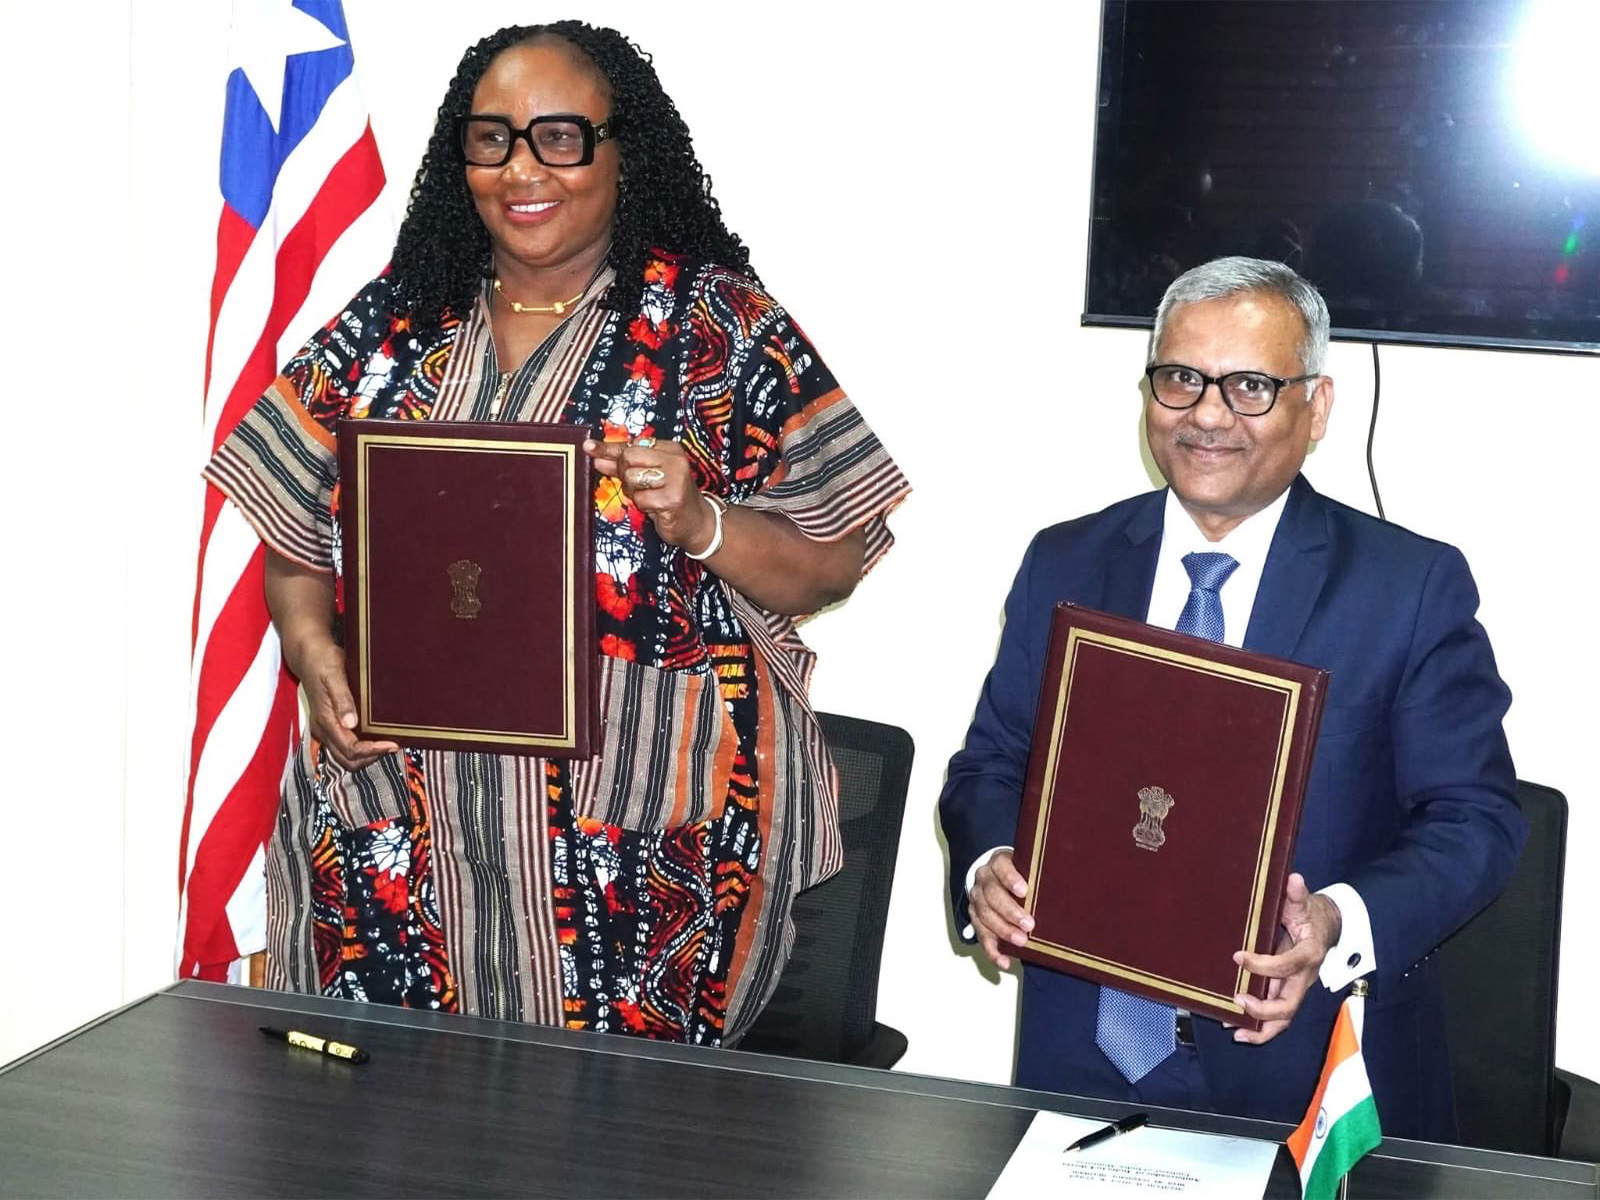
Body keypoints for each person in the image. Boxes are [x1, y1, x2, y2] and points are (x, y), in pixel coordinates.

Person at [204, 20, 908, 1046]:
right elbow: (298, 546)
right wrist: (315, 658)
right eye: (491, 139)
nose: (523, 168)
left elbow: (832, 557)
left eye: (560, 136)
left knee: (610, 1147)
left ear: (627, 151)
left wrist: (701, 519)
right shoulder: (392, 328)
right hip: (401, 830)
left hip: (637, 846)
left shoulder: (720, 332)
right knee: (392, 1137)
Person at [938, 256, 1523, 1141]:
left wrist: (1336, 922)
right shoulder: (1065, 560)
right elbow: (990, 763)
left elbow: (1474, 820)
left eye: (1250, 385)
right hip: (1078, 1068)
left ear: (1317, 406)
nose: (1207, 414)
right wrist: (989, 869)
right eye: (1180, 379)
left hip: (1304, 1076)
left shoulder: (1409, 587)